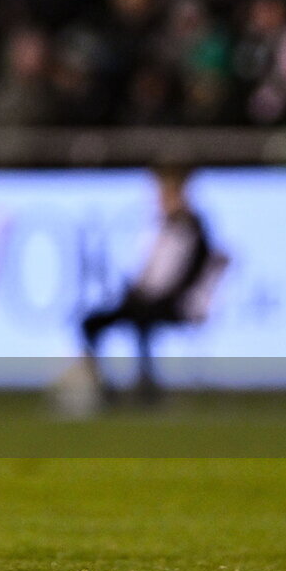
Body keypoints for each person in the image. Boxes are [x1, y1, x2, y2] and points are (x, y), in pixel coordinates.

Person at [81, 165, 226, 401]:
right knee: (92, 322)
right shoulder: (160, 225)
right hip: (148, 301)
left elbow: (188, 277)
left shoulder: (194, 228)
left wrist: (152, 295)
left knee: (142, 316)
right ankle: (106, 388)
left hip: (176, 304)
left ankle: (147, 387)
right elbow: (150, 273)